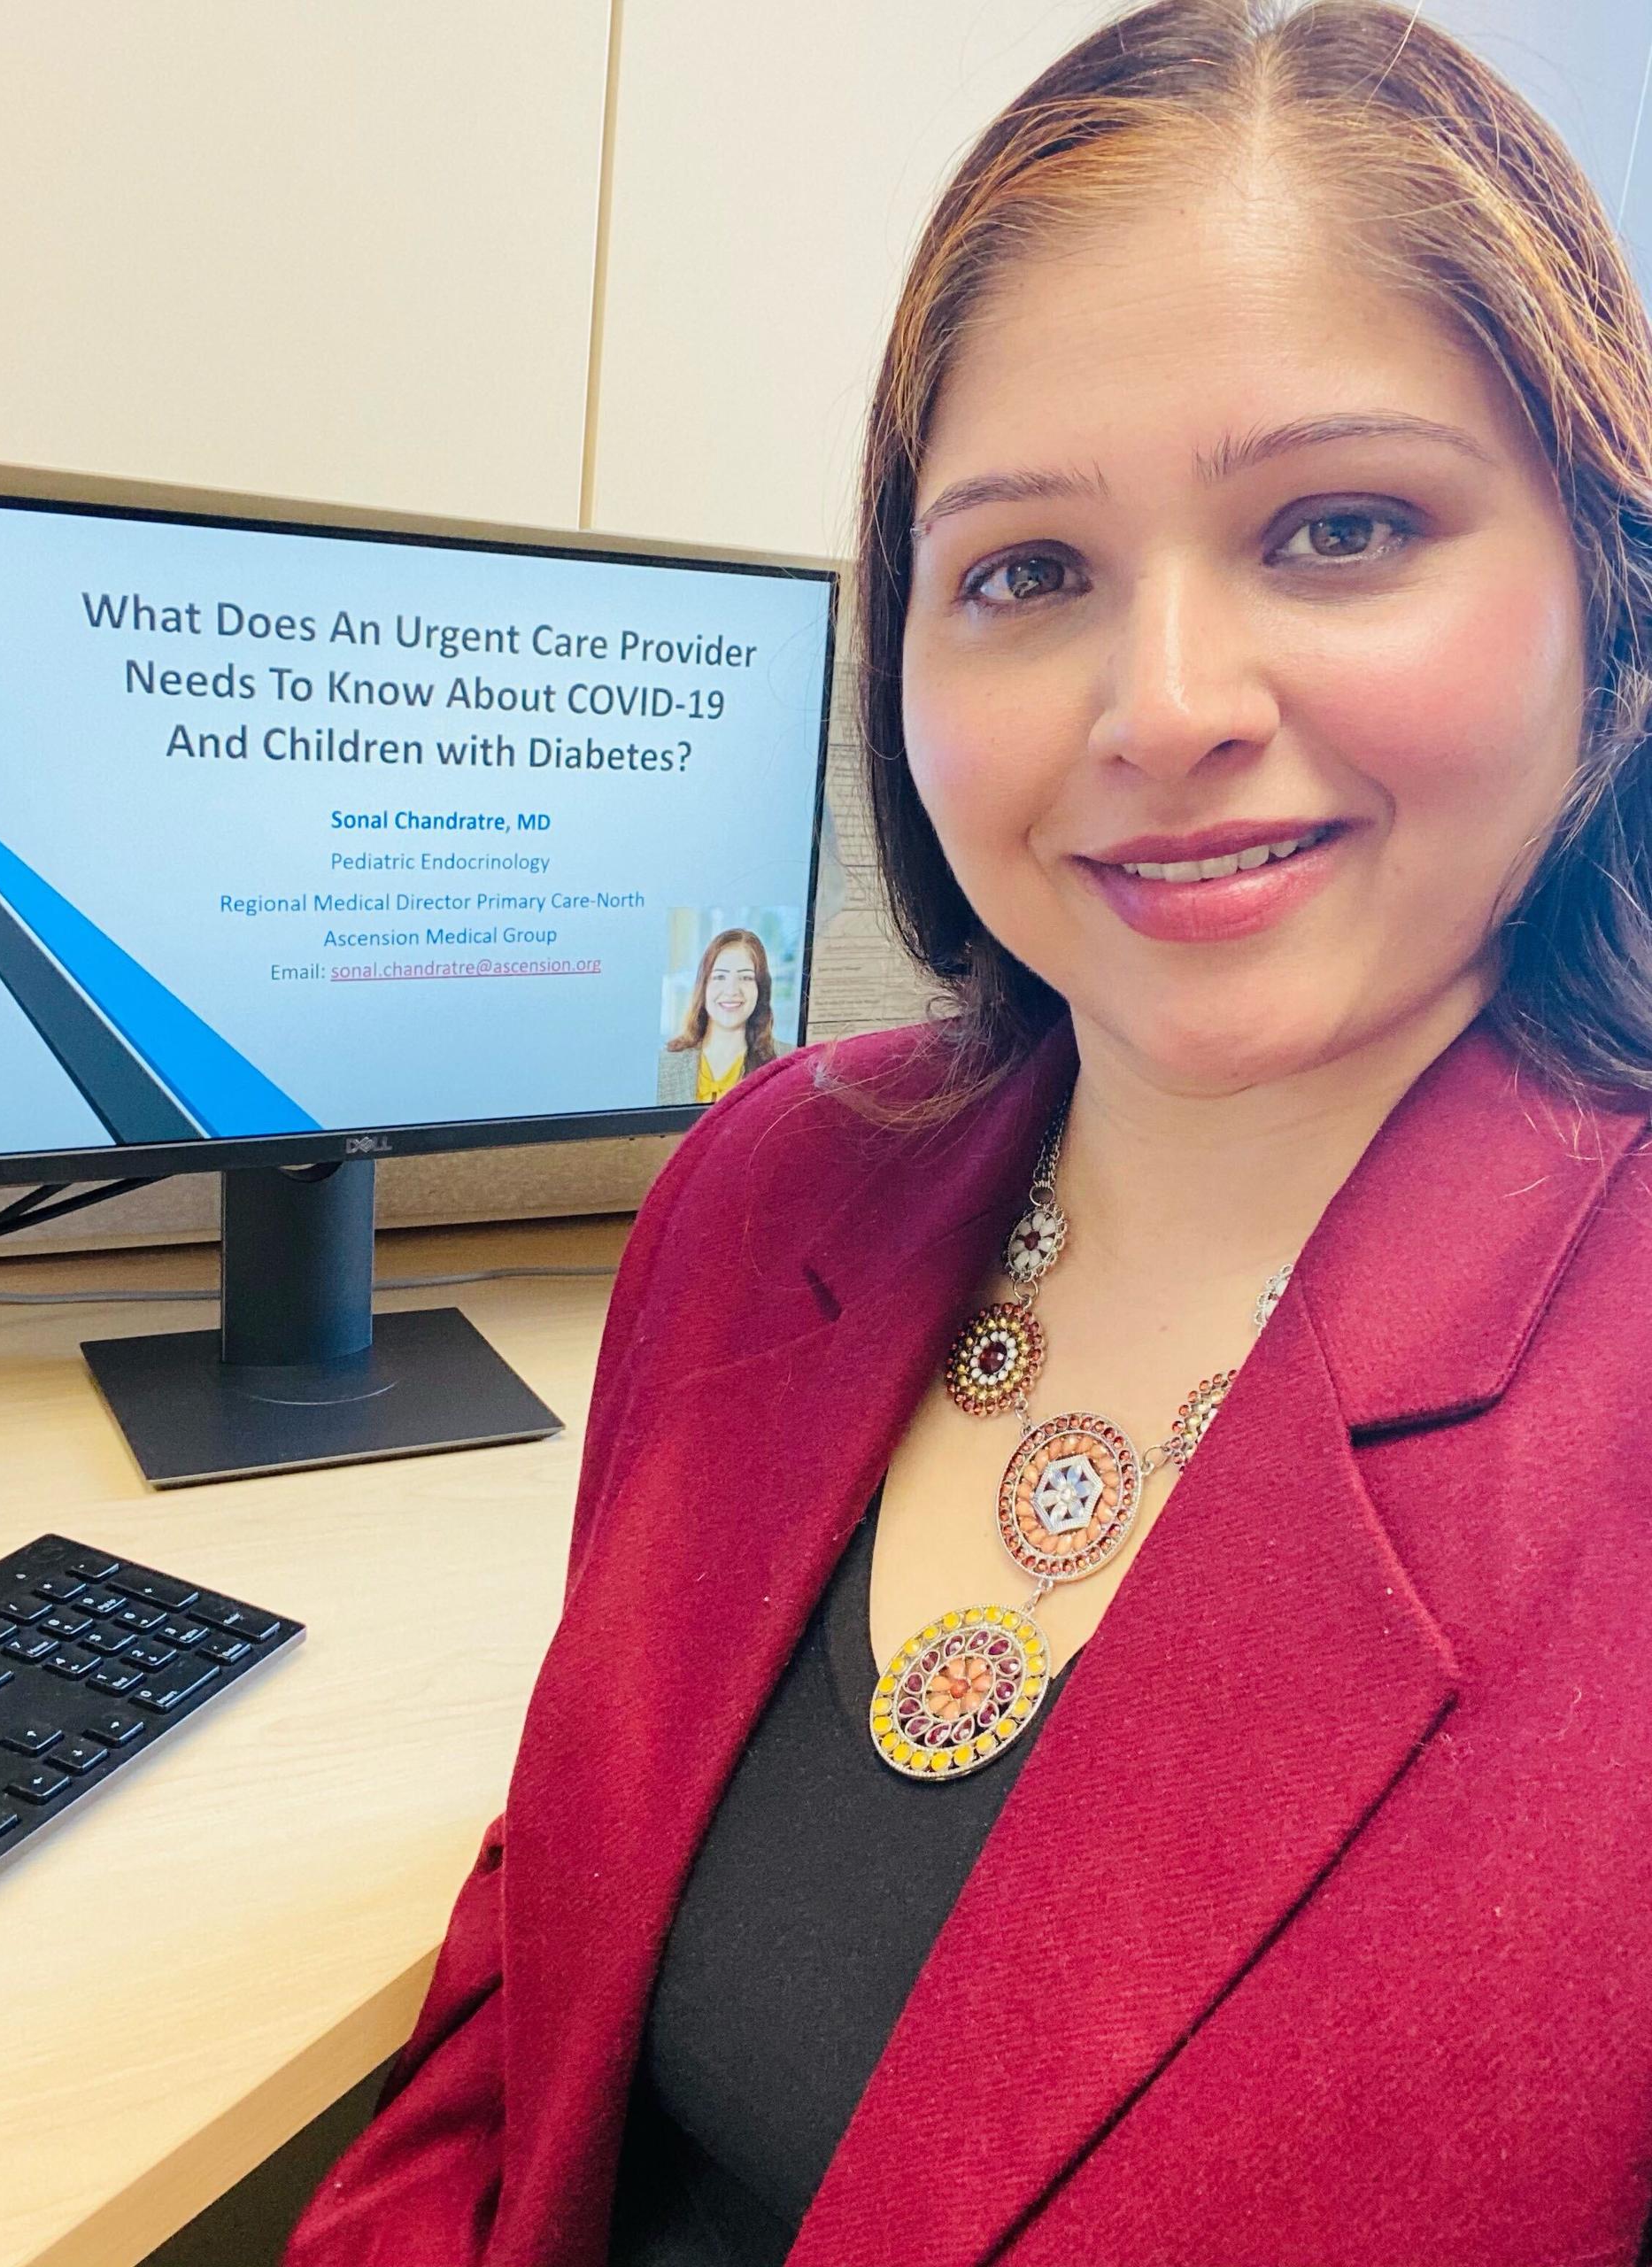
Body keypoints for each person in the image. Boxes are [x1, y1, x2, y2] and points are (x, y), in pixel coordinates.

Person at [282, 0, 1652, 2260]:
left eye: (1339, 524)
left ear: (1606, 598)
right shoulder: (764, 1187)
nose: (1168, 708)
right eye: (1026, 570)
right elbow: (527, 2007)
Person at [655, 926, 786, 1104]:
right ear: (703, 986)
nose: (732, 990)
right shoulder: (665, 1064)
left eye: (746, 978)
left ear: (760, 988)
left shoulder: (788, 1062)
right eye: (720, 977)